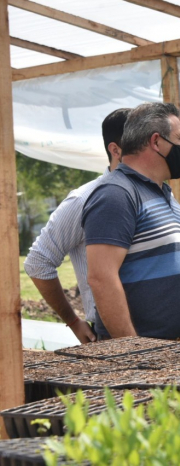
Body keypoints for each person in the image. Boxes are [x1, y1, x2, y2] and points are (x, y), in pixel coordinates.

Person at [82, 102, 180, 345]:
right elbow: (101, 277)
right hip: (148, 358)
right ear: (156, 141)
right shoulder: (116, 194)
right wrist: (134, 351)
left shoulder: (166, 195)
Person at [24, 108, 131, 344]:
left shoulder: (157, 194)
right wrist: (73, 321)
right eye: (139, 140)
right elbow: (38, 262)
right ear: (116, 150)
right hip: (112, 338)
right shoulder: (83, 200)